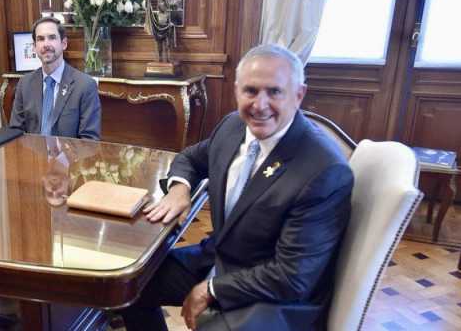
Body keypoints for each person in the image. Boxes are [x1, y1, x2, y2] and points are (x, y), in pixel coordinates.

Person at [120, 44, 354, 330]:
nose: (260, 105)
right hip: (220, 258)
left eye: (275, 92)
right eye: (250, 91)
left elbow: (293, 276)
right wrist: (179, 189)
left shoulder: (324, 170)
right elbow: (190, 158)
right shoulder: (232, 127)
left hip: (275, 298)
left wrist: (211, 289)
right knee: (131, 287)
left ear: (299, 95)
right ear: (236, 91)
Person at [9, 17, 101, 140]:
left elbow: (89, 140)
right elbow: (15, 132)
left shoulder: (85, 85)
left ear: (64, 44)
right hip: (32, 152)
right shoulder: (25, 84)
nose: (46, 44)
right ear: (34, 47)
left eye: (52, 37)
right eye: (40, 39)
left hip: (69, 153)